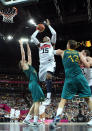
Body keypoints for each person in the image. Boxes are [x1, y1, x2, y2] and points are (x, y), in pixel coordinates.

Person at [49, 40, 92, 129]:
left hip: (69, 79)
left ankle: (57, 118)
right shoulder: (79, 54)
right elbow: (87, 65)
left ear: (68, 45)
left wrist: (51, 44)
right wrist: (88, 60)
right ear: (75, 47)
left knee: (63, 100)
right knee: (88, 99)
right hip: (80, 78)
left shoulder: (63, 52)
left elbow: (51, 51)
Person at [19, 40, 45, 125]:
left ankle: (27, 119)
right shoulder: (25, 66)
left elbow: (29, 54)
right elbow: (23, 55)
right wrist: (21, 44)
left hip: (35, 84)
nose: (25, 60)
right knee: (37, 102)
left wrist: (27, 44)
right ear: (22, 64)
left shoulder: (29, 65)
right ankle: (35, 121)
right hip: (33, 84)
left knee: (36, 102)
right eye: (23, 61)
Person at [31, 19, 56, 105]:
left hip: (50, 63)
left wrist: (49, 25)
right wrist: (37, 30)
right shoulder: (40, 45)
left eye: (47, 37)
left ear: (49, 39)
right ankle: (41, 96)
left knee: (48, 77)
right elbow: (33, 37)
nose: (45, 37)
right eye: (44, 37)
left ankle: (48, 97)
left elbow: (54, 33)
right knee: (40, 81)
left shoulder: (51, 44)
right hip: (42, 65)